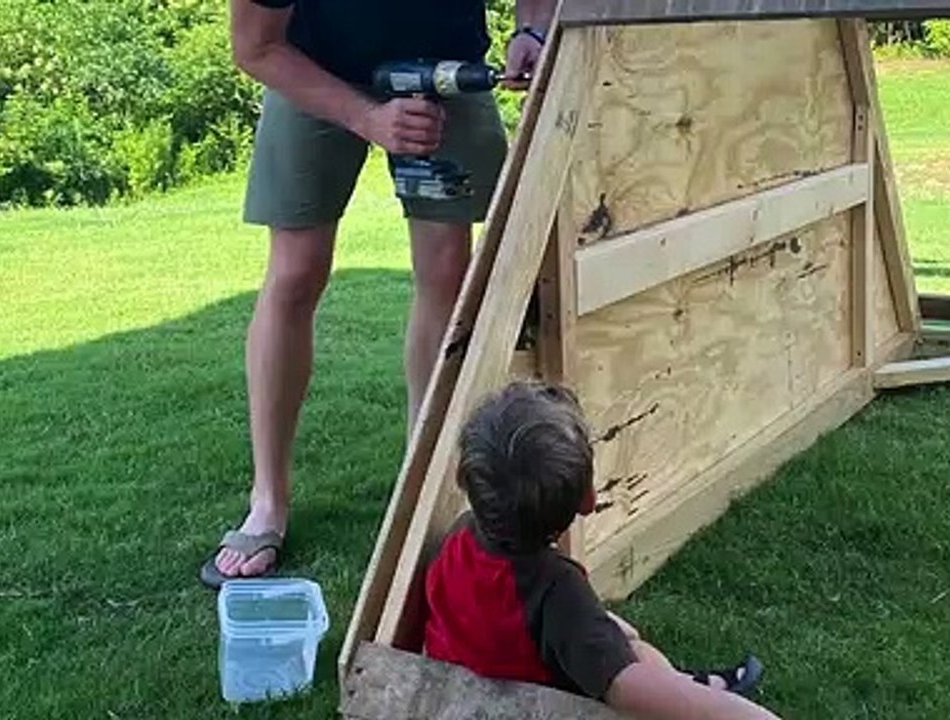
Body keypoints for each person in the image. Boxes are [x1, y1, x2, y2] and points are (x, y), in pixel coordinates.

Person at [200, 0, 556, 587]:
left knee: (447, 270)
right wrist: (367, 118)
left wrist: (530, 30)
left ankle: (425, 486)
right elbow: (255, 46)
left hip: (444, 63)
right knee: (297, 270)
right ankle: (268, 500)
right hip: (310, 67)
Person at [421, 380, 784, 720]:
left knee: (614, 632)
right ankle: (699, 689)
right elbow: (625, 686)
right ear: (588, 501)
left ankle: (690, 683)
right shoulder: (557, 590)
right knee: (635, 652)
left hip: (455, 693)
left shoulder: (457, 537)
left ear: (464, 480)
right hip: (531, 706)